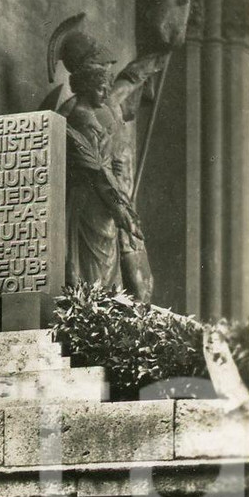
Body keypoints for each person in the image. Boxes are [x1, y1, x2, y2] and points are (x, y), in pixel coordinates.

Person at [50, 23, 169, 301]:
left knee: (110, 268)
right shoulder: (80, 117)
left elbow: (101, 163)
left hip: (105, 199)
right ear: (88, 83)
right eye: (101, 87)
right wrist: (120, 207)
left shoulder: (93, 111)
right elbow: (96, 170)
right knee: (97, 269)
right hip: (94, 199)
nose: (106, 94)